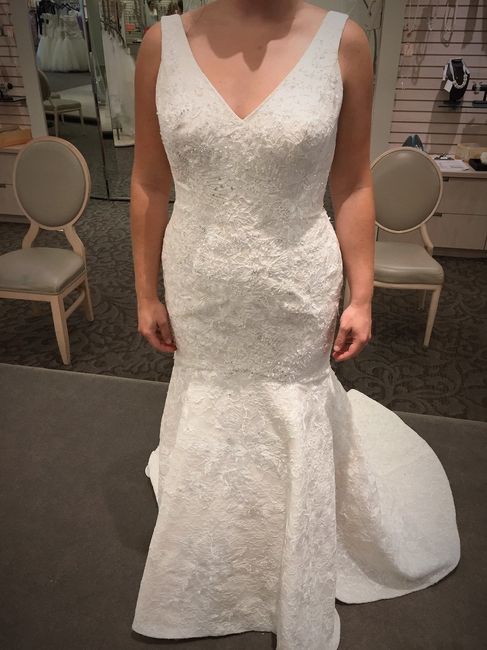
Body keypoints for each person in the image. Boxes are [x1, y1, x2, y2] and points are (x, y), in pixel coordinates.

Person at [130, 2, 460, 648]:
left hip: (296, 283)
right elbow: (148, 181)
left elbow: (352, 184)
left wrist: (361, 295)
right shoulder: (159, 45)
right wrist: (144, 292)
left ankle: (293, 558)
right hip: (200, 282)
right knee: (209, 401)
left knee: (291, 405)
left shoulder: (343, 42)